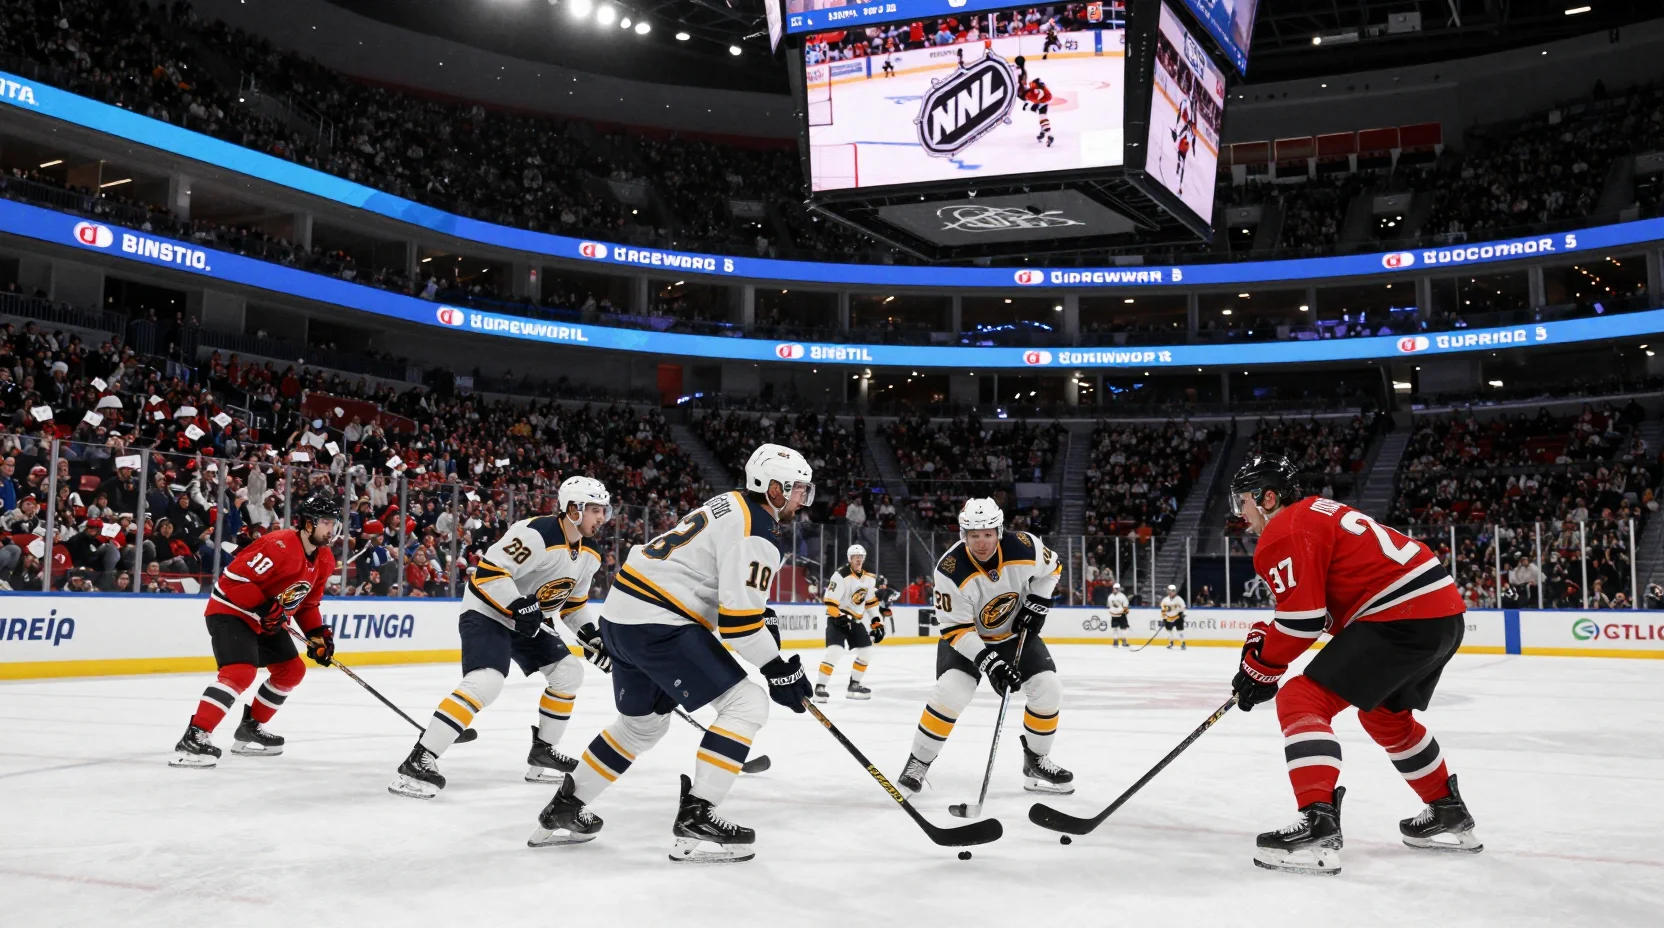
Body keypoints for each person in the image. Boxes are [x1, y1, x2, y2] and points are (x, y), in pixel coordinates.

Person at [528, 443, 816, 863]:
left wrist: (759, 613)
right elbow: (738, 625)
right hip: (659, 622)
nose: (801, 501)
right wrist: (779, 669)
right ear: (773, 488)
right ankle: (698, 815)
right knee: (747, 703)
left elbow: (711, 581)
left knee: (640, 727)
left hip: (622, 615)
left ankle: (562, 809)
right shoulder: (760, 530)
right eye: (797, 490)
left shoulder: (730, 503)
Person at [1227, 456, 1481, 876]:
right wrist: (1265, 647)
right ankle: (1447, 811)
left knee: (1300, 698)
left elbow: (1302, 622)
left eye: (1244, 502)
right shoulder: (1318, 513)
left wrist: (1262, 668)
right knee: (1386, 717)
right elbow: (1317, 611)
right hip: (1441, 615)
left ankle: (1317, 826)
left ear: (1267, 497)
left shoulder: (1282, 530)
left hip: (1401, 616)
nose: (1242, 514)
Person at [389, 476, 615, 800]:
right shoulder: (536, 533)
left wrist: (592, 636)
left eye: (602, 510)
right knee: (486, 682)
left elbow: (573, 604)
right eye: (595, 509)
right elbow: (488, 573)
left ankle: (543, 754)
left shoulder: (590, 553)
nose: (601, 517)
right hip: (487, 611)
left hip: (527, 619)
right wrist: (517, 606)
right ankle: (418, 760)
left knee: (569, 673)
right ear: (574, 509)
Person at [896, 498, 1072, 798]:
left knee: (1049, 687)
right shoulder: (950, 570)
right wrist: (991, 663)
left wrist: (1040, 601)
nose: (981, 542)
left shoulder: (1025, 546)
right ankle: (918, 762)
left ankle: (1035, 762)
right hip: (968, 640)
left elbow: (1053, 567)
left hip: (1014, 635)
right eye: (974, 535)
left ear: (999, 531)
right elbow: (956, 629)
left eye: (988, 534)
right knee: (953, 690)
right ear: (964, 534)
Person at [169, 489, 342, 768]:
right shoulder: (278, 545)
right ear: (308, 523)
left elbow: (307, 603)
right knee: (240, 672)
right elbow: (234, 581)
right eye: (325, 522)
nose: (331, 528)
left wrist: (316, 636)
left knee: (291, 670)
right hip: (231, 611)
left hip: (265, 618)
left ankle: (250, 728)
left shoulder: (324, 560)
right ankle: (195, 736)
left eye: (333, 523)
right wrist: (264, 608)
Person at [814, 543, 885, 702]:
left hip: (856, 622)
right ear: (849, 559)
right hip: (837, 621)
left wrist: (877, 623)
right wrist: (839, 616)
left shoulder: (869, 579)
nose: (858, 560)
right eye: (855, 557)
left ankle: (854, 684)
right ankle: (820, 687)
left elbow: (871, 603)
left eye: (861, 557)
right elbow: (830, 602)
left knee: (867, 651)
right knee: (835, 652)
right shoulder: (840, 575)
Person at [1159, 583, 1187, 650]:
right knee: (1169, 631)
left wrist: (1184, 614)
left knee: (1180, 631)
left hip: (1177, 617)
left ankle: (1183, 643)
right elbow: (1163, 610)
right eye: (1169, 591)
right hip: (1168, 618)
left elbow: (1183, 607)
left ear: (1175, 591)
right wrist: (1163, 618)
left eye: (1172, 591)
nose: (1171, 592)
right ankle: (1171, 642)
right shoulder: (1165, 600)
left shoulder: (1179, 599)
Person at [1106, 581, 1130, 647]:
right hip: (1120, 613)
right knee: (1123, 628)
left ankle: (1115, 642)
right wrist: (1125, 612)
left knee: (1115, 628)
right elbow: (1126, 605)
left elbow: (1109, 606)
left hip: (1114, 614)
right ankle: (1124, 642)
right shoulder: (1122, 596)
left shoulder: (1110, 596)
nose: (1116, 589)